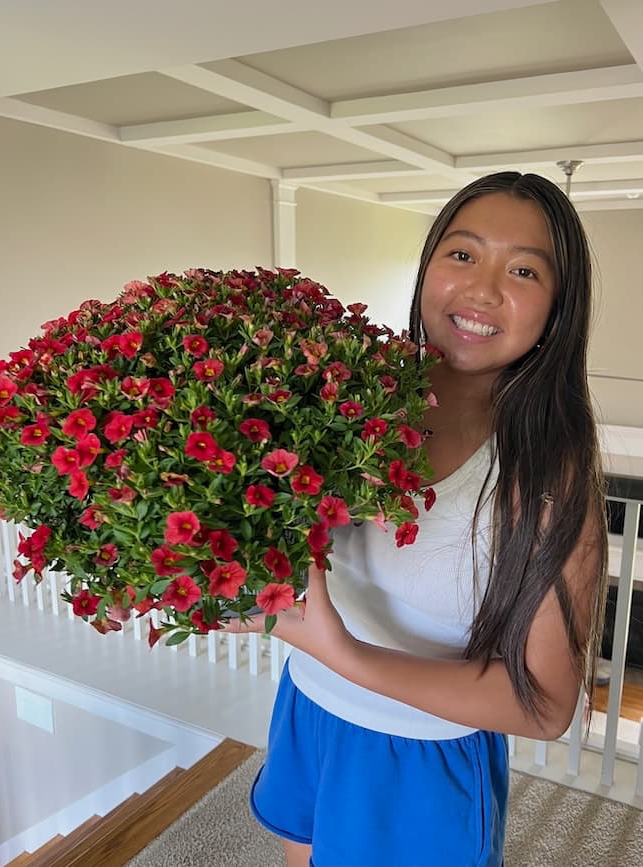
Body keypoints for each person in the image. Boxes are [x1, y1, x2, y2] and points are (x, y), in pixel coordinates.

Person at [223, 171, 609, 867]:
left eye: (523, 270)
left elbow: (547, 706)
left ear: (558, 308)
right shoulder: (344, 394)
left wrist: (346, 653)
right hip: (310, 704)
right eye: (463, 254)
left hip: (421, 756)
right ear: (428, 264)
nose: (483, 289)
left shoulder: (547, 474)